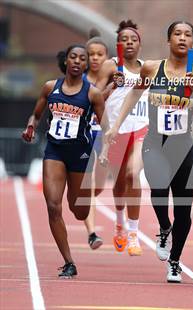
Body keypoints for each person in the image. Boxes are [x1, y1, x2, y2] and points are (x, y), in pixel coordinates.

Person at [105, 21, 193, 283]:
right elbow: (133, 95)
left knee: (184, 211)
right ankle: (164, 227)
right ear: (169, 40)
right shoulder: (152, 68)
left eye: (188, 34)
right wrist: (116, 125)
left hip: (183, 145)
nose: (182, 38)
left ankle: (174, 262)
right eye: (177, 33)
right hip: (154, 141)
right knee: (159, 187)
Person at [22, 45, 107, 278]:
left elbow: (106, 126)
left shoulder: (93, 94)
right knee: (52, 206)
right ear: (66, 61)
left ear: (86, 64)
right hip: (55, 151)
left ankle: (80, 201)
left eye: (82, 58)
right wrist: (31, 126)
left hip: (80, 154)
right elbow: (37, 114)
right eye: (73, 57)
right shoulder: (51, 87)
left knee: (79, 211)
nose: (78, 61)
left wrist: (105, 151)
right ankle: (69, 261)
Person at [96, 20, 148, 256]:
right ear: (118, 43)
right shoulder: (111, 66)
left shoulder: (148, 68)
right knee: (118, 183)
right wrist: (111, 88)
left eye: (133, 39)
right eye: (124, 39)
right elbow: (94, 97)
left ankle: (134, 235)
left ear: (139, 43)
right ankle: (120, 224)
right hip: (116, 130)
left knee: (133, 174)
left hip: (142, 128)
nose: (129, 43)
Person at [82, 29, 109, 250]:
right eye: (91, 54)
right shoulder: (79, 80)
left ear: (106, 57)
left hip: (105, 137)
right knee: (89, 186)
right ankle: (92, 233)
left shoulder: (114, 77)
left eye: (100, 54)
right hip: (85, 136)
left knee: (98, 186)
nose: (95, 58)